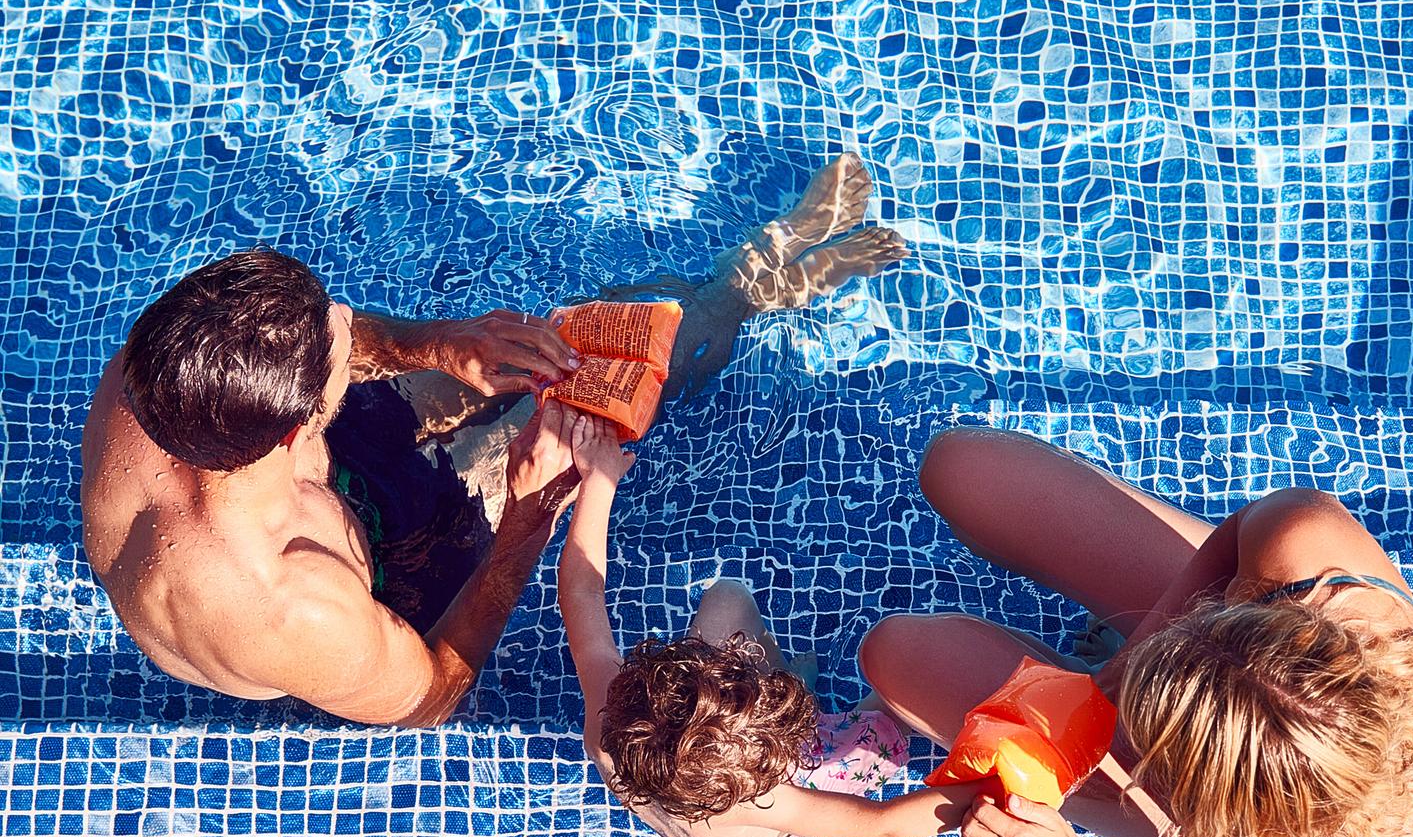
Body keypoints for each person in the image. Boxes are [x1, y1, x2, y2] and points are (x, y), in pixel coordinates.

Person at [80, 153, 905, 725]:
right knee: (611, 396)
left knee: (577, 344)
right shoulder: (295, 612)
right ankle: (748, 292)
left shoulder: (164, 370)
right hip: (387, 575)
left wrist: (439, 346)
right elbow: (431, 695)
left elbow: (333, 339)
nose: (346, 324)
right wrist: (528, 519)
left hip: (300, 483)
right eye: (334, 343)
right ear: (303, 418)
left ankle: (744, 272)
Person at [858, 427, 1413, 837]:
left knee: (895, 657)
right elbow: (1240, 533)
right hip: (1225, 682)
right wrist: (1121, 671)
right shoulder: (1306, 554)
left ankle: (1108, 698)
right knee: (961, 466)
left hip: (1207, 795)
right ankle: (1112, 660)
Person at [558, 414, 978, 837]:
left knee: (726, 600)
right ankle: (825, 706)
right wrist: (987, 793)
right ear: (769, 761)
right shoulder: (763, 798)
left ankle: (798, 683)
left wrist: (599, 479)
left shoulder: (610, 720)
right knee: (900, 693)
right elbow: (885, 826)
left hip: (699, 797)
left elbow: (580, 590)